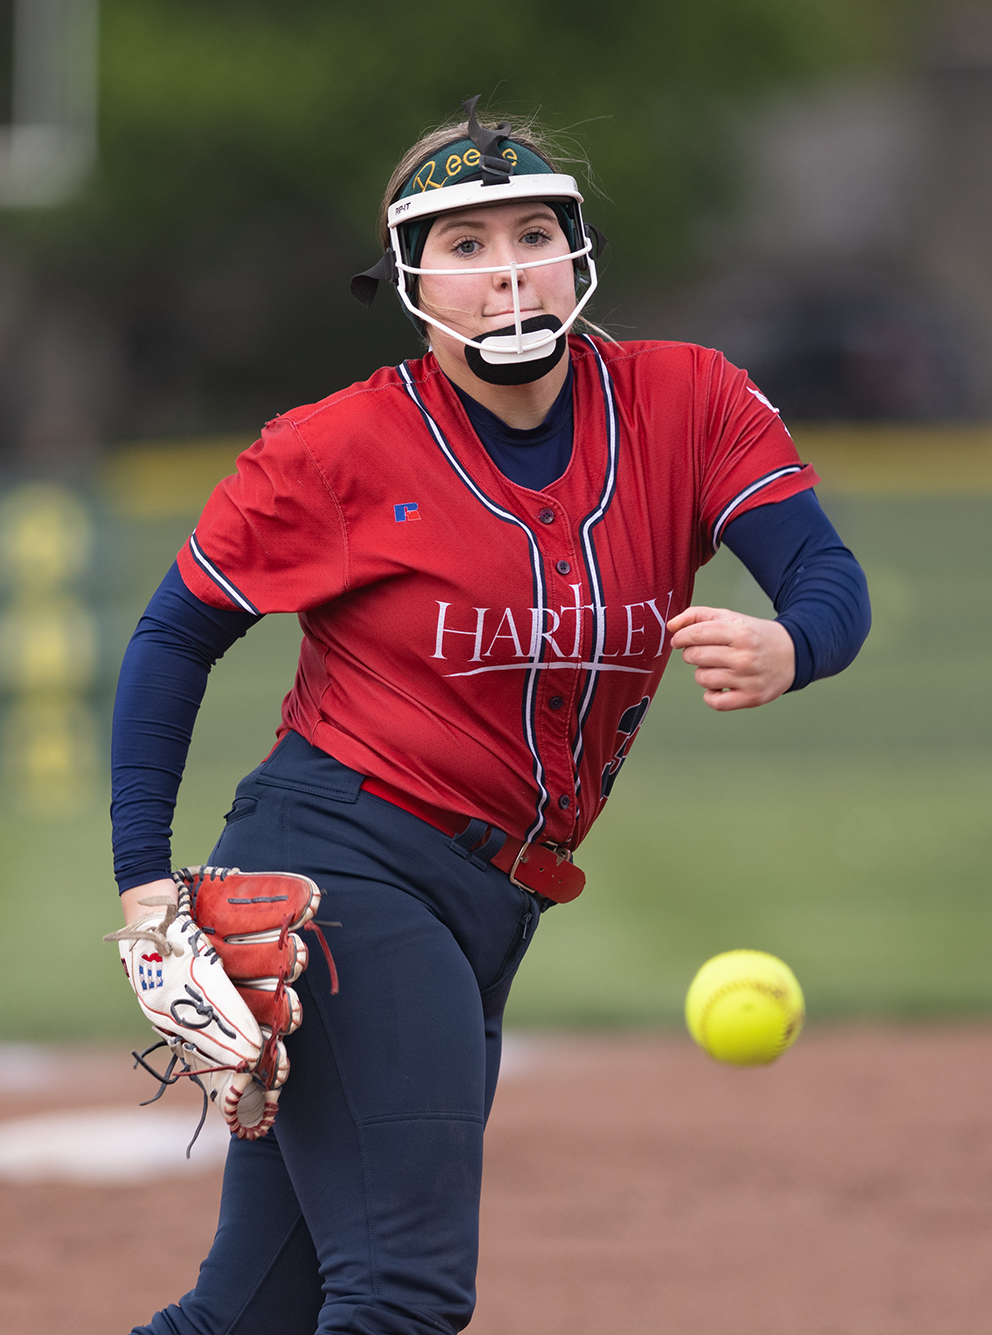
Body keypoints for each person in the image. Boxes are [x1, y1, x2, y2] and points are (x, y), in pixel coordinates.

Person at [109, 96, 870, 1335]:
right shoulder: (333, 448)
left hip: (492, 896)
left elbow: (827, 581)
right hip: (338, 868)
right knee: (401, 1296)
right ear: (410, 276)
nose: (503, 268)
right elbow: (172, 635)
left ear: (578, 255)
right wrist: (143, 877)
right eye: (462, 244)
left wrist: (794, 642)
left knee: (249, 1312)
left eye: (530, 232)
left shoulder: (689, 401)